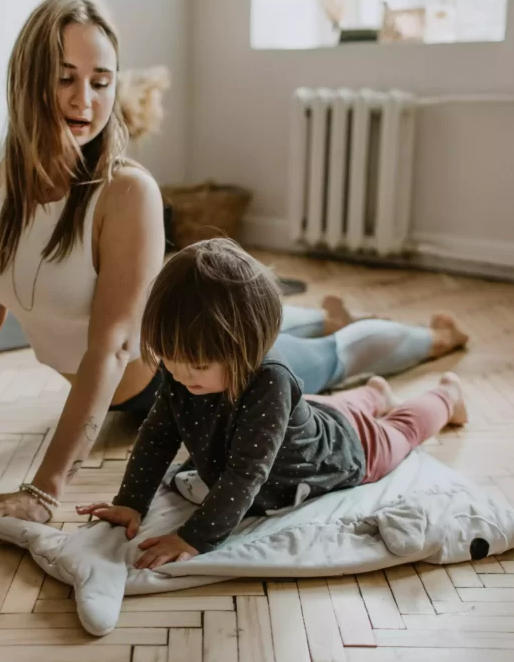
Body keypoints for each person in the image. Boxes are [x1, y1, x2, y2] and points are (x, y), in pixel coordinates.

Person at [0, 0, 468, 545]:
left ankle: (432, 342)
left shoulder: (126, 192)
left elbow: (109, 347)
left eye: (101, 80)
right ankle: (327, 331)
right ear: (27, 79)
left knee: (330, 357)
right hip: (173, 362)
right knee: (304, 339)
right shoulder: (10, 184)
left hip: (201, 377)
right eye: (65, 77)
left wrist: (45, 490)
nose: (85, 99)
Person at [77, 238, 467, 568]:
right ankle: (375, 392)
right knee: (334, 408)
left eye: (196, 365)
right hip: (313, 415)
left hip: (346, 449)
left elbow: (246, 474)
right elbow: (158, 435)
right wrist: (131, 501)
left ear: (246, 348)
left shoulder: (270, 381)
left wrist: (194, 538)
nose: (180, 374)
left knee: (402, 429)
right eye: (170, 360)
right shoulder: (183, 372)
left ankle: (447, 395)